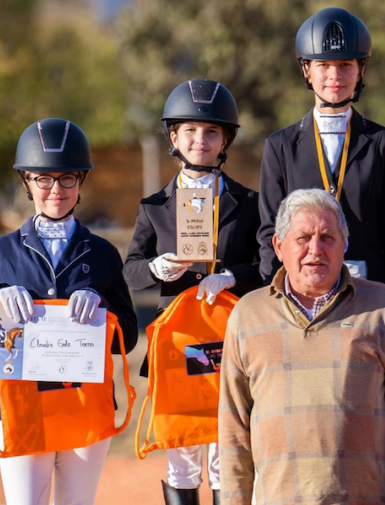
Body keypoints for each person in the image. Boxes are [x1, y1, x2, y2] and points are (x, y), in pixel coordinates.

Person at [0, 117, 138, 505]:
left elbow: (129, 332)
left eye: (67, 179)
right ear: (27, 182)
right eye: (43, 179)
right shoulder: (0, 253)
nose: (55, 190)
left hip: (84, 406)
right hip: (23, 407)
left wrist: (102, 310)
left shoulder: (103, 254)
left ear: (81, 183)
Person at [219, 189, 385, 505]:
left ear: (345, 244)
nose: (315, 249)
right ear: (279, 246)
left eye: (328, 237)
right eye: (303, 238)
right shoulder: (248, 314)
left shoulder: (383, 306)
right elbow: (233, 428)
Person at [123, 79, 262, 505]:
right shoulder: (153, 207)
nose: (200, 140)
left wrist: (233, 276)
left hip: (231, 339)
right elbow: (130, 272)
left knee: (227, 450)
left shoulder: (251, 202)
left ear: (225, 140)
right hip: (177, 340)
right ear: (174, 137)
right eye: (189, 131)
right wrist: (156, 268)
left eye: (210, 132)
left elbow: (265, 265)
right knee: (181, 451)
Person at [257, 7, 385, 324]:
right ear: (306, 70)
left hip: (368, 299)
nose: (334, 75)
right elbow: (269, 234)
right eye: (324, 65)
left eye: (345, 65)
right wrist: (272, 304)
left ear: (361, 69)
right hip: (300, 302)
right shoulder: (280, 146)